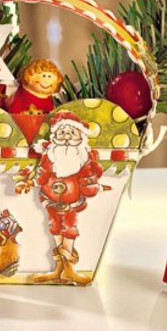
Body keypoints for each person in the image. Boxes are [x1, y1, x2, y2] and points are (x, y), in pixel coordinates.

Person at [32, 111, 104, 284]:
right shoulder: (51, 154)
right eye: (62, 132)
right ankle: (60, 270)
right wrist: (37, 179)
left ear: (81, 136)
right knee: (54, 227)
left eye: (72, 133)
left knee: (69, 228)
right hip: (50, 200)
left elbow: (87, 178)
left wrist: (90, 188)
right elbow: (43, 172)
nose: (66, 137)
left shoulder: (82, 157)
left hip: (72, 203)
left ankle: (68, 269)